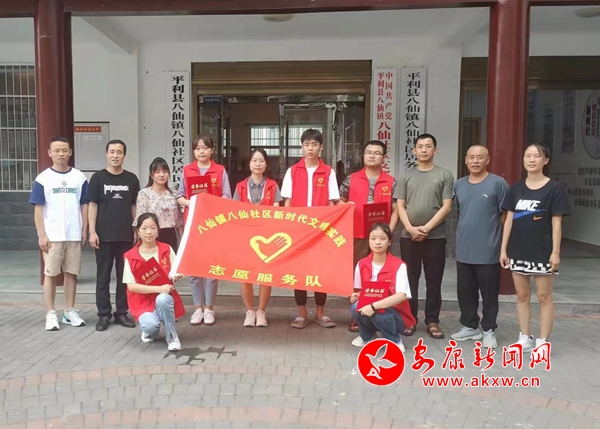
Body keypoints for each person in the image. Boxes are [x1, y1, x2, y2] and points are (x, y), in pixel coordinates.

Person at [500, 144, 570, 351]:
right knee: (522, 295)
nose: (531, 160)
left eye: (536, 156)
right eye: (528, 156)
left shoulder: (554, 189)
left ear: (545, 161)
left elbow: (557, 223)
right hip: (518, 250)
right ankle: (525, 337)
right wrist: (504, 249)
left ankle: (543, 342)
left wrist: (555, 252)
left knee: (543, 297)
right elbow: (509, 220)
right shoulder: (516, 189)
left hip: (543, 251)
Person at [394, 133, 454, 340]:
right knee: (409, 280)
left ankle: (432, 321)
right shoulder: (406, 176)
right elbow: (400, 205)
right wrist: (410, 228)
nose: (424, 150)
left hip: (435, 237)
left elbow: (447, 206)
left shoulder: (445, 175)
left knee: (434, 281)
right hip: (409, 237)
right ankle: (409, 320)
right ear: (414, 150)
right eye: (420, 146)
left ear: (435, 150)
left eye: (428, 146)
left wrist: (426, 228)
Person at [451, 145, 509, 349]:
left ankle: (489, 329)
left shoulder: (498, 183)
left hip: (488, 249)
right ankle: (470, 326)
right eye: (472, 157)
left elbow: (506, 215)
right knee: (465, 292)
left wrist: (500, 242)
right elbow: (460, 211)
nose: (475, 161)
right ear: (466, 160)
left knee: (489, 293)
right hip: (464, 248)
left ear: (488, 160)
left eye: (480, 157)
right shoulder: (459, 184)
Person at [281, 128, 340, 329]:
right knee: (299, 272)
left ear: (321, 147)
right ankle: (302, 313)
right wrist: (289, 229)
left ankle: (320, 313)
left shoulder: (329, 172)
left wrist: (327, 230)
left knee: (320, 272)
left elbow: (332, 203)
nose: (310, 148)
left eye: (314, 144)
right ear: (302, 147)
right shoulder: (292, 171)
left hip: (320, 232)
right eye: (306, 144)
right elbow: (287, 202)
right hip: (298, 232)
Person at [29, 137, 89, 331]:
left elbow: (84, 204)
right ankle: (50, 313)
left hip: (73, 234)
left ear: (70, 152)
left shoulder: (79, 177)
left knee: (71, 273)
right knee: (51, 274)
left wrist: (84, 229)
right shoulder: (43, 178)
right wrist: (41, 234)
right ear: (50, 153)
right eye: (57, 150)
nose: (61, 154)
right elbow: (38, 208)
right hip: (52, 236)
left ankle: (69, 311)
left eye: (64, 150)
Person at [339, 140, 398, 332]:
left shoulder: (391, 182)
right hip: (357, 235)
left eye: (377, 153)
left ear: (383, 157)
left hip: (381, 238)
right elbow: (339, 202)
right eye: (369, 152)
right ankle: (357, 316)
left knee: (379, 276)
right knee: (358, 275)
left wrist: (389, 232)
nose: (372, 156)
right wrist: (346, 206)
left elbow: (396, 209)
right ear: (363, 155)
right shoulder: (351, 179)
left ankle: (379, 315)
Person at [177, 135, 232, 326]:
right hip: (193, 224)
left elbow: (227, 196)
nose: (202, 151)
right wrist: (194, 203)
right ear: (194, 151)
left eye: (205, 148)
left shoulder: (220, 170)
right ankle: (198, 308)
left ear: (212, 150)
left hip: (213, 225)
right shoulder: (187, 170)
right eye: (198, 148)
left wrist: (210, 203)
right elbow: (180, 196)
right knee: (194, 269)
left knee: (211, 268)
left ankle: (209, 308)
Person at [87, 139, 140, 331]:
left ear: (124, 155)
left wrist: (136, 229)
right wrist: (92, 231)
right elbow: (92, 205)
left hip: (125, 235)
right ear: (106, 154)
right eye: (112, 152)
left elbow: (133, 206)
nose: (115, 155)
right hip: (103, 236)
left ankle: (121, 313)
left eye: (119, 152)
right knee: (103, 277)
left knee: (124, 276)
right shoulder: (98, 178)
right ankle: (103, 314)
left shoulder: (131, 179)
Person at [233, 148, 283, 327]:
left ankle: (261, 311)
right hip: (245, 237)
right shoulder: (240, 186)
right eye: (254, 160)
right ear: (249, 164)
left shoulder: (272, 186)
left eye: (261, 160)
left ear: (266, 164)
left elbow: (276, 211)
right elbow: (235, 212)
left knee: (265, 275)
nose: (258, 164)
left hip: (267, 237)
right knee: (245, 275)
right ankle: (249, 311)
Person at [123, 213, 185, 351]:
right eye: (144, 228)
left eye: (153, 227)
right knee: (151, 326)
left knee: (163, 299)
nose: (149, 232)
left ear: (158, 230)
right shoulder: (131, 256)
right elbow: (131, 286)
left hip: (163, 297)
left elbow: (174, 271)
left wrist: (177, 275)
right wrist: (160, 288)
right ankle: (150, 330)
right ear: (138, 231)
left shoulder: (166, 249)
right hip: (142, 301)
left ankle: (172, 337)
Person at [349, 223, 415, 352]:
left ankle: (394, 340)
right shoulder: (362, 264)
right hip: (372, 308)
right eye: (373, 238)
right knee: (355, 307)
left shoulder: (399, 265)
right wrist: (357, 295)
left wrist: (374, 306)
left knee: (380, 313)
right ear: (368, 241)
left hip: (396, 314)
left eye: (382, 238)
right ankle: (367, 336)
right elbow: (360, 290)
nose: (377, 242)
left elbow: (401, 296)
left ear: (389, 242)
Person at [134, 157, 183, 252]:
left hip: (171, 235)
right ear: (151, 175)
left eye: (165, 171)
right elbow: (139, 219)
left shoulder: (174, 194)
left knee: (169, 260)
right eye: (157, 172)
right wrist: (139, 237)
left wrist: (183, 239)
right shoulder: (144, 194)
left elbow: (179, 221)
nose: (161, 175)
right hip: (151, 235)